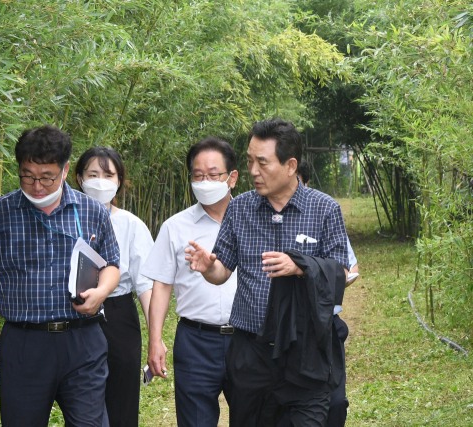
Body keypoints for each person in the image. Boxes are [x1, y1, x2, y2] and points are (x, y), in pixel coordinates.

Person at [185, 119, 350, 427]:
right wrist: (209, 267)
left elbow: (340, 270)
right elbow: (223, 270)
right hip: (252, 349)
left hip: (306, 349)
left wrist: (301, 267)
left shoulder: (325, 209)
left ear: (290, 165)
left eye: (262, 162)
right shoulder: (240, 208)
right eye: (249, 161)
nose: (253, 171)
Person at [0, 125, 121, 427]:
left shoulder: (92, 211)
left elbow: (111, 265)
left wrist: (101, 292)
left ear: (65, 169)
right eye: (28, 175)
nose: (37, 186)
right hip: (24, 344)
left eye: (47, 177)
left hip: (83, 340)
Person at [142, 136, 239, 427]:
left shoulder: (254, 219)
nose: (205, 181)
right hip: (195, 340)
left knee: (256, 416)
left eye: (213, 175)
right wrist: (155, 340)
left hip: (249, 340)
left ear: (232, 177)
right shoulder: (175, 226)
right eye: (198, 176)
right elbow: (161, 285)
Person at [271, 158, 357, 427]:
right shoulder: (263, 219)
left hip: (321, 328)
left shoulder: (325, 212)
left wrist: (307, 270)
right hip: (279, 334)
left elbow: (347, 269)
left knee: (334, 404)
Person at [74, 146, 154, 427]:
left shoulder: (131, 224)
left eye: (108, 175)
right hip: (72, 314)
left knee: (121, 398)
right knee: (80, 401)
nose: (100, 181)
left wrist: (155, 336)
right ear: (79, 178)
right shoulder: (63, 218)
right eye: (92, 174)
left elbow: (145, 283)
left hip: (118, 314)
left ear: (120, 180)